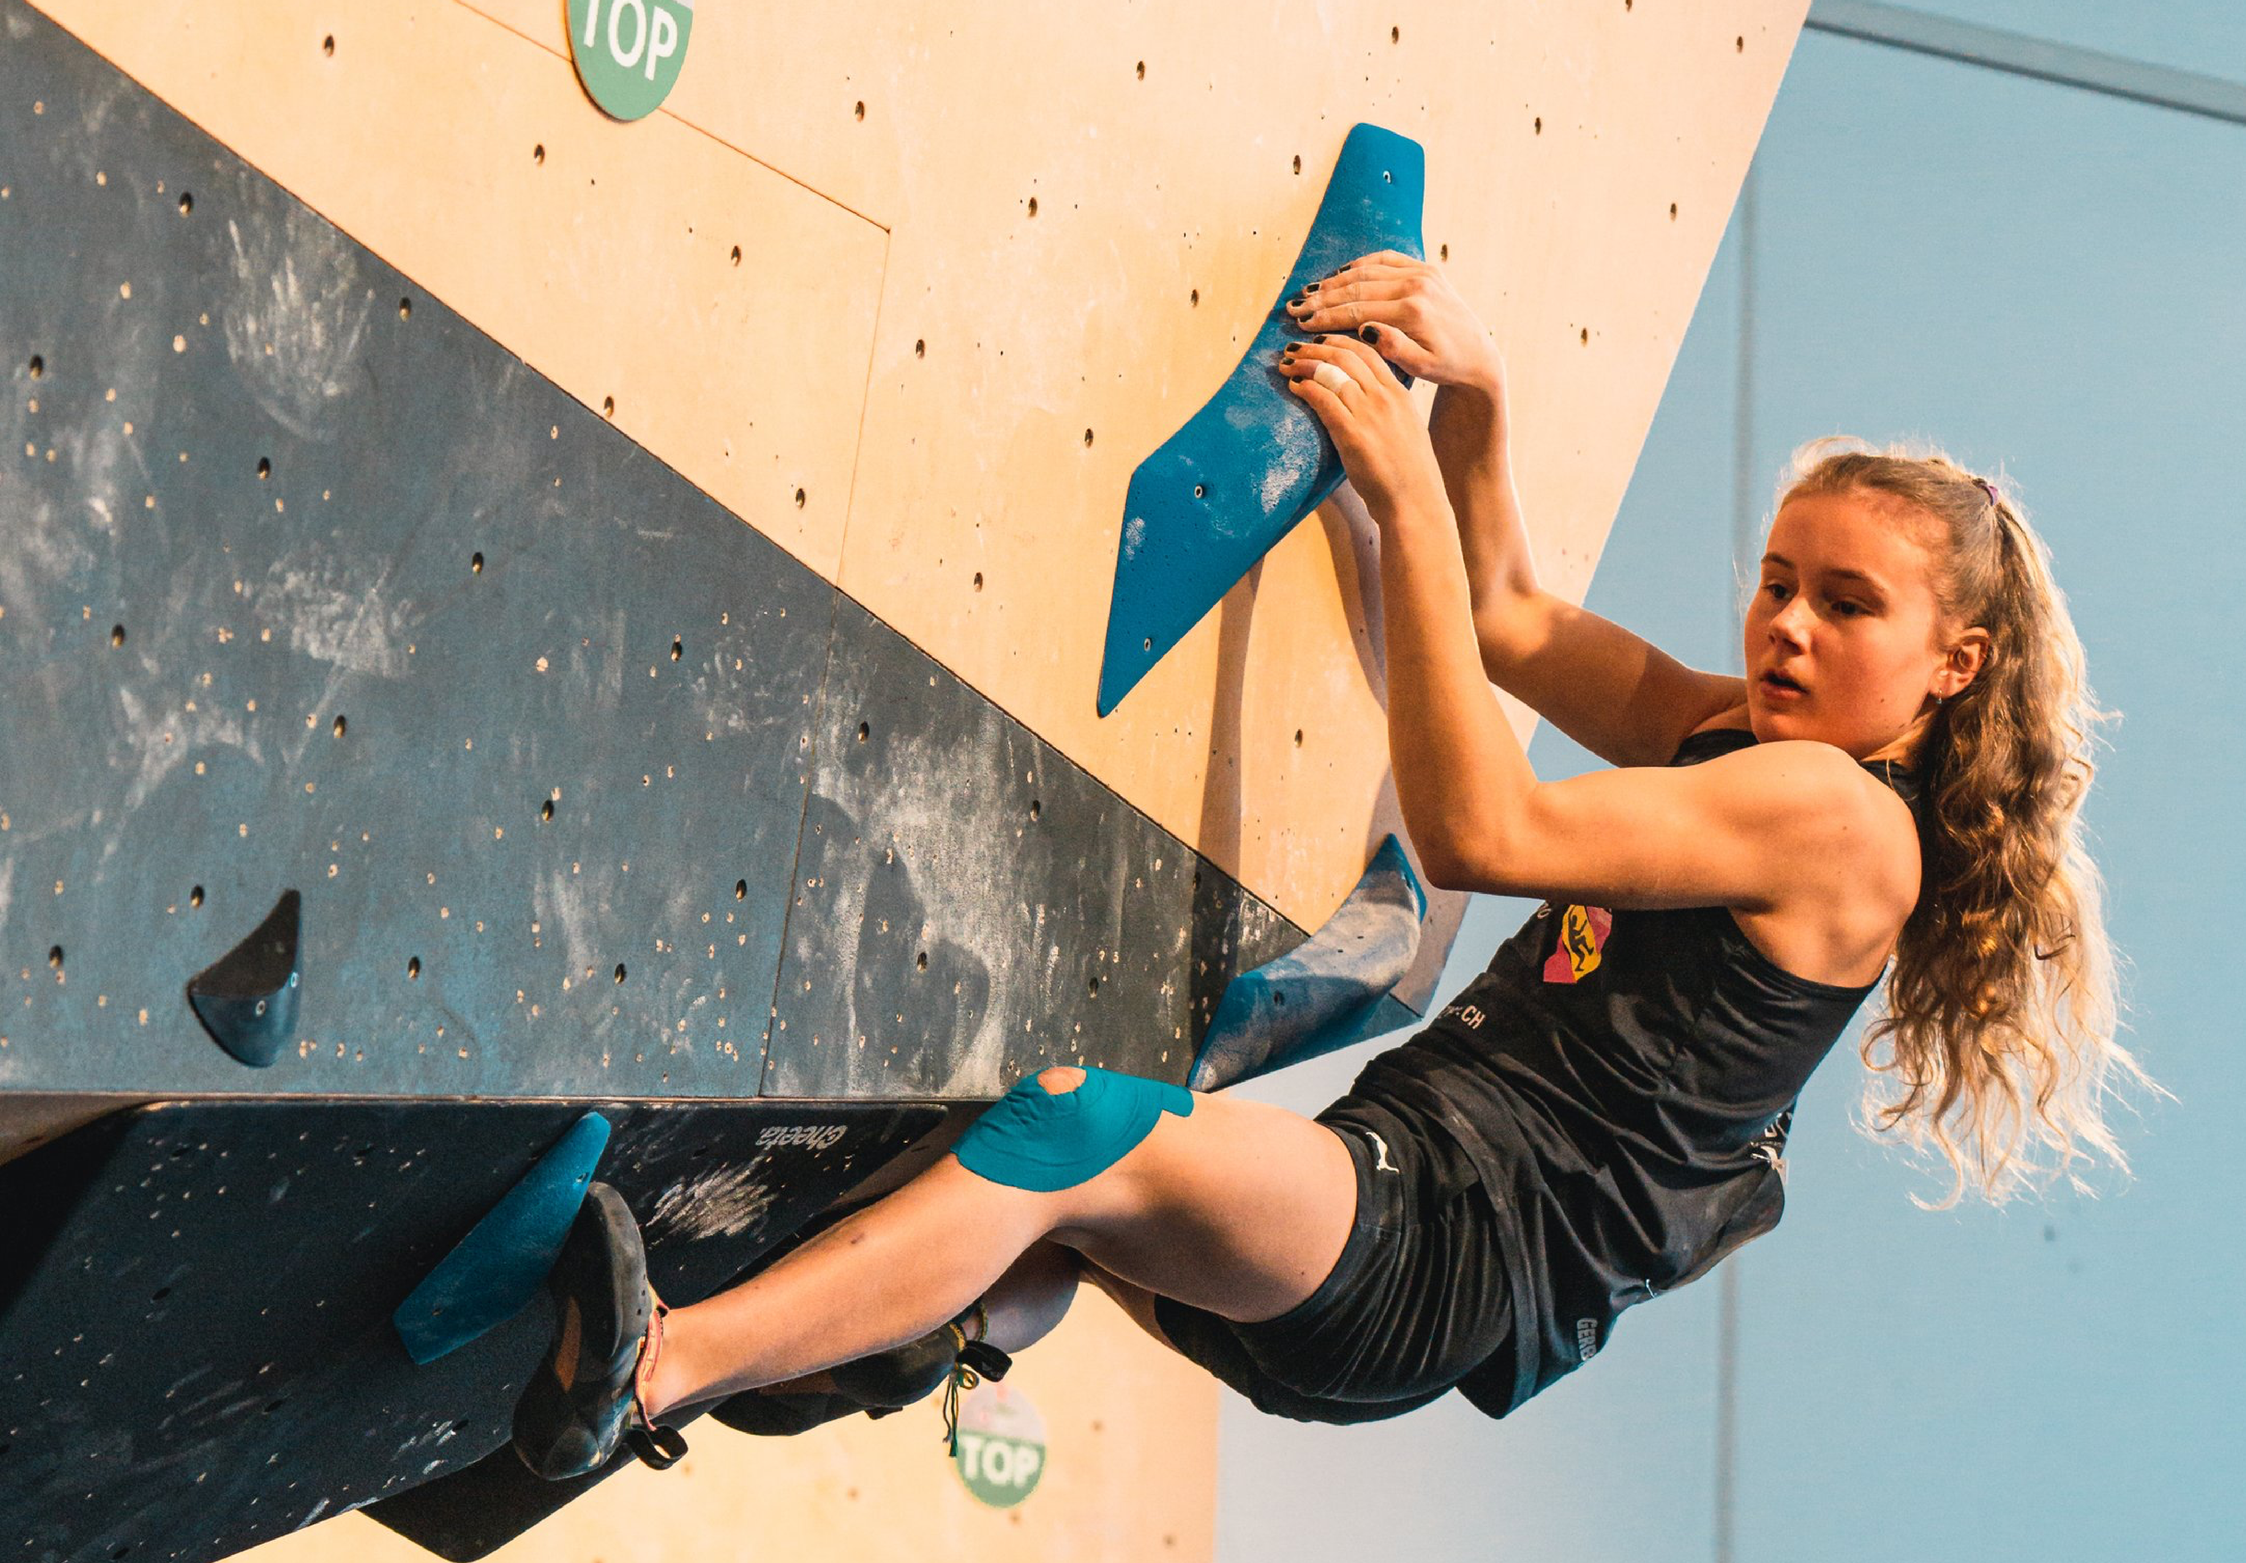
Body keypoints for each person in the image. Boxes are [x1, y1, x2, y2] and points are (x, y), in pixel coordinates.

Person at [510, 252, 2151, 1480]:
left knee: (1077, 1128)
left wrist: (1401, 496)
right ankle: (923, 1328)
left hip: (1438, 1241)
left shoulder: (1848, 822)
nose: (1787, 622)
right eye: (1779, 578)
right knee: (1041, 1190)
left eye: (1848, 605)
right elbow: (1513, 621)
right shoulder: (1736, 731)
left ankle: (655, 1370)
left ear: (1955, 665)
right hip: (1383, 1207)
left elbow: (1488, 832)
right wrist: (1480, 399)